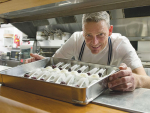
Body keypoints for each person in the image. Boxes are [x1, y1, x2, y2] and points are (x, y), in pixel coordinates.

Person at [25, 11, 150, 91]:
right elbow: (54, 64)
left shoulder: (121, 44)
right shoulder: (76, 39)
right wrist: (41, 63)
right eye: (88, 35)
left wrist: (135, 80)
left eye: (101, 34)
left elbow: (147, 81)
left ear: (110, 30)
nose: (94, 43)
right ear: (82, 32)